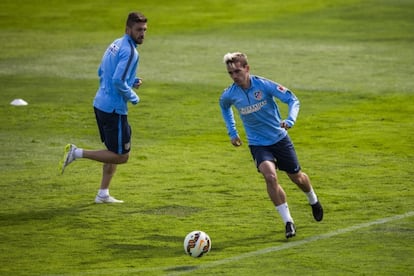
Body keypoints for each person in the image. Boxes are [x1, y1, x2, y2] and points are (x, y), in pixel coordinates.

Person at [219, 52, 323, 239]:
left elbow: (293, 99)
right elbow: (224, 108)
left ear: (247, 69)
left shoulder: (264, 85)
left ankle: (313, 200)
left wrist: (290, 120)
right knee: (270, 177)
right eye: (230, 73)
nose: (234, 76)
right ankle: (288, 222)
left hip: (279, 139)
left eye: (237, 71)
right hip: (258, 143)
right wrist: (232, 133)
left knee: (297, 178)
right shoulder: (230, 94)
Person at [60, 12, 148, 204]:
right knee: (121, 156)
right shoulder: (131, 52)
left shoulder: (115, 44)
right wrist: (133, 96)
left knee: (112, 150)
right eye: (138, 30)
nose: (142, 34)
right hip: (113, 109)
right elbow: (117, 80)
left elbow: (103, 70)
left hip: (100, 102)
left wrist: (131, 80)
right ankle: (76, 153)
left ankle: (103, 194)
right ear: (128, 29)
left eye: (144, 30)